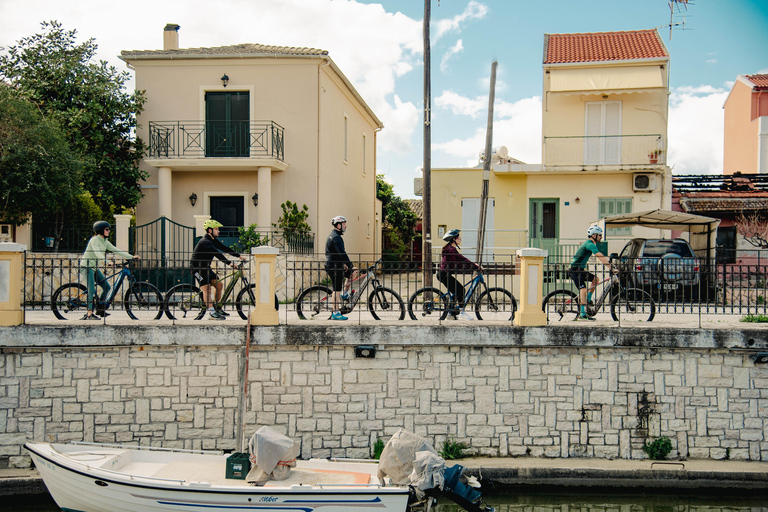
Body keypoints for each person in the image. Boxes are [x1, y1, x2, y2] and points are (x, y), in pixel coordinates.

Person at [80, 221, 140, 321]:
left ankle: (100, 308)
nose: (108, 231)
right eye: (106, 229)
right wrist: (107, 262)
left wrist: (131, 256)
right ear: (100, 230)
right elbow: (97, 253)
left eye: (108, 229)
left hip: (94, 268)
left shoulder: (105, 241)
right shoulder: (94, 240)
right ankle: (89, 314)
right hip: (86, 267)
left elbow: (116, 250)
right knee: (91, 290)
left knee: (107, 287)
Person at [190, 219, 247, 320]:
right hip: (197, 269)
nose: (218, 231)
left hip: (205, 268)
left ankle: (216, 308)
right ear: (210, 230)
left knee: (219, 285)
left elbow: (224, 248)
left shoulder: (212, 240)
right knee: (207, 289)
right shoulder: (206, 242)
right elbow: (217, 254)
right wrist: (230, 263)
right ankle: (212, 313)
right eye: (216, 229)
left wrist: (238, 256)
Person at [568, 225, 616, 321]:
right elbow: (600, 256)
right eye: (600, 235)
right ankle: (582, 313)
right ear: (594, 235)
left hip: (580, 270)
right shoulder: (589, 244)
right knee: (583, 289)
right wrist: (611, 267)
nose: (601, 237)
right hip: (575, 270)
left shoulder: (591, 244)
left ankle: (588, 300)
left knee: (595, 279)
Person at [438, 229, 480, 320]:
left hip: (444, 274)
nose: (460, 239)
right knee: (461, 290)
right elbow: (461, 260)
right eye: (458, 238)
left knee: (456, 292)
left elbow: (459, 262)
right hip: (444, 275)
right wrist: (475, 266)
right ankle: (462, 312)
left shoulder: (449, 248)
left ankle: (451, 314)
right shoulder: (451, 250)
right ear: (454, 239)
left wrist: (471, 267)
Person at [325, 215, 356, 321]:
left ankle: (345, 294)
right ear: (338, 225)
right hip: (334, 267)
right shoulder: (336, 238)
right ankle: (335, 313)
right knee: (336, 290)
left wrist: (346, 265)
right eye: (344, 224)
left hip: (337, 265)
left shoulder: (336, 236)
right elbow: (342, 253)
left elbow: (337, 254)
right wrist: (349, 264)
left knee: (353, 273)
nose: (345, 226)